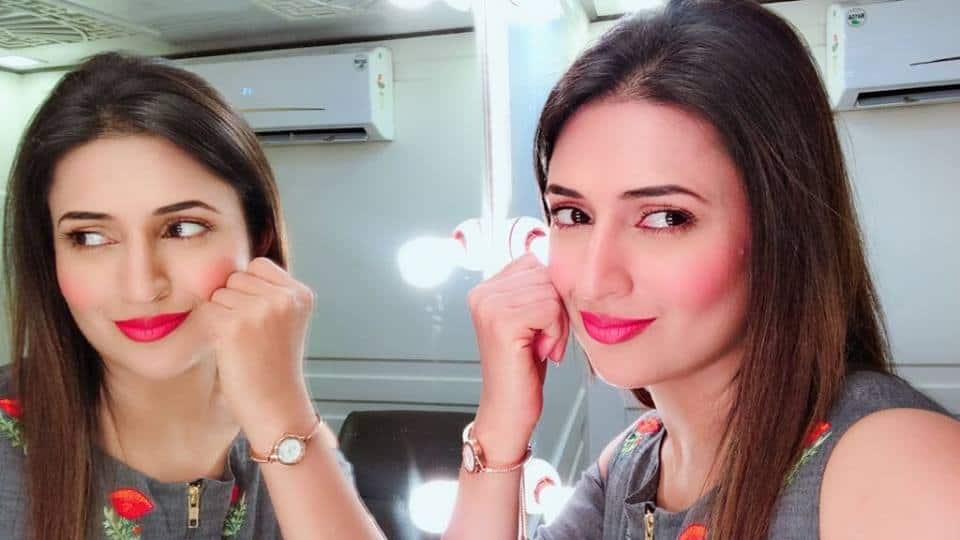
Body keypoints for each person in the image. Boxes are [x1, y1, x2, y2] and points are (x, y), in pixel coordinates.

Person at [443, 1, 960, 539]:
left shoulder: (897, 468)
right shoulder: (630, 464)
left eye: (665, 218)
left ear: (781, 231)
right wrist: (498, 429)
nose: (594, 281)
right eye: (573, 215)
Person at [0, 52, 384, 540]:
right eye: (90, 237)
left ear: (258, 237)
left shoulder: (294, 438)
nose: (141, 287)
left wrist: (282, 418)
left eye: (182, 228)